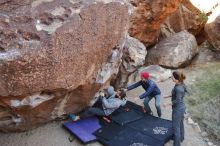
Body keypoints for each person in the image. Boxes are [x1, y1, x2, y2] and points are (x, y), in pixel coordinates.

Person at [163, 71, 187, 146]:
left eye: (172, 77)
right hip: (182, 108)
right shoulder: (180, 84)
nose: (171, 78)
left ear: (175, 78)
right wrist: (169, 96)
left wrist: (168, 104)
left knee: (175, 127)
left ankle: (177, 144)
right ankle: (181, 138)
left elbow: (178, 100)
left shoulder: (178, 88)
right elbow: (178, 95)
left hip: (178, 109)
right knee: (180, 123)